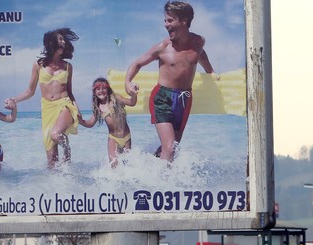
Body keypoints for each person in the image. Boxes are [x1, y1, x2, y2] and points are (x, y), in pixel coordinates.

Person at [124, 1, 216, 162]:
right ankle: (164, 183)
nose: (166, 24)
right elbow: (137, 63)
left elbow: (200, 55)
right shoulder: (163, 47)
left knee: (173, 147)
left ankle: (150, 164)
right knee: (170, 147)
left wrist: (210, 71)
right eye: (165, 20)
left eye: (170, 20)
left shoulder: (199, 42)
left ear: (184, 21)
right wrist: (128, 82)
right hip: (162, 98)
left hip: (185, 99)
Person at [11, 28, 80, 168]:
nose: (63, 42)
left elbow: (70, 92)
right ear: (51, 42)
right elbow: (30, 91)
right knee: (51, 163)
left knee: (56, 134)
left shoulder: (68, 67)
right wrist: (14, 100)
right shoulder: (38, 65)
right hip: (47, 109)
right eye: (60, 39)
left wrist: (78, 112)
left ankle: (67, 152)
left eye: (63, 40)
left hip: (64, 105)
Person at [78, 78, 138, 168]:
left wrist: (134, 95)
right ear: (94, 92)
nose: (101, 91)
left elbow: (131, 103)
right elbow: (90, 123)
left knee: (126, 164)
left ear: (108, 89)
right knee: (114, 166)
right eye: (98, 89)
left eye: (103, 88)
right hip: (113, 139)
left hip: (126, 137)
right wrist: (80, 121)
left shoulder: (116, 98)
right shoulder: (98, 107)